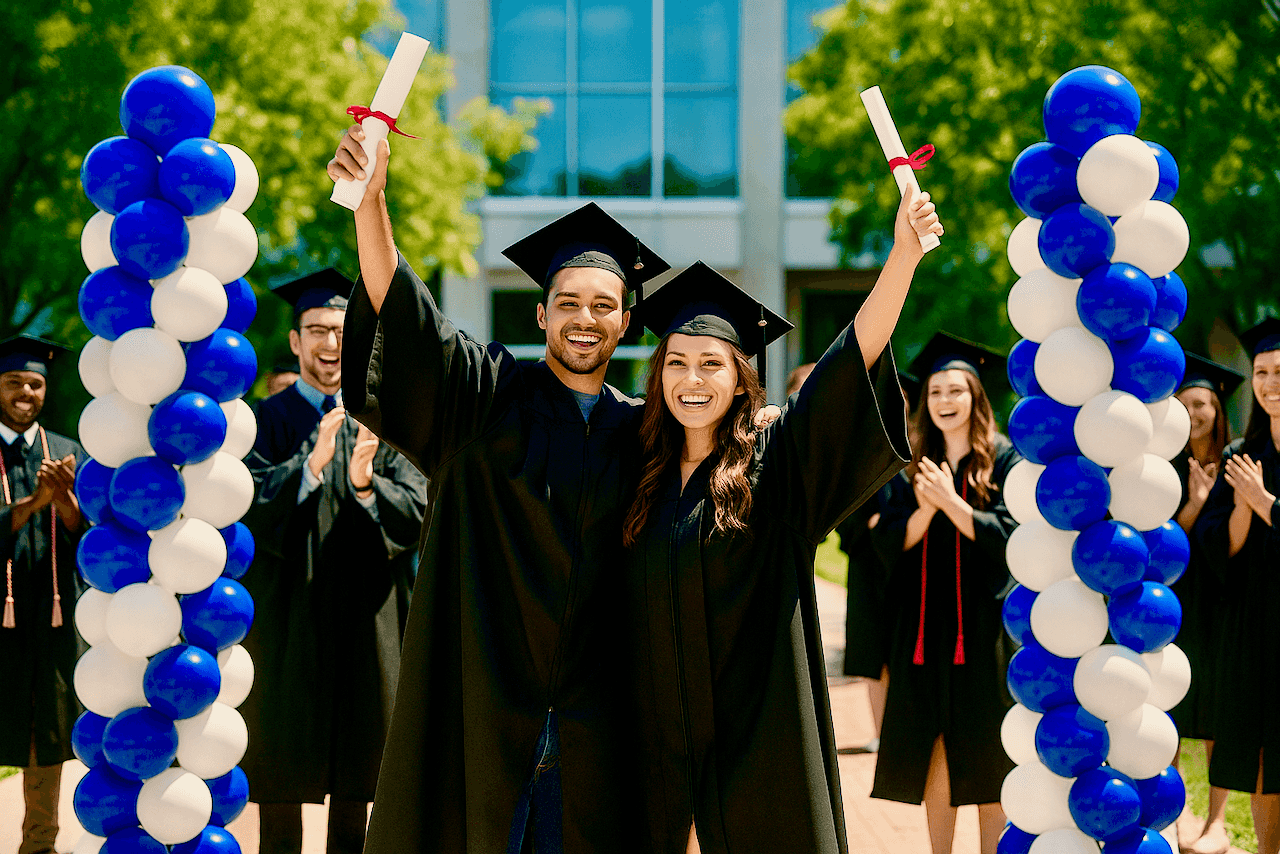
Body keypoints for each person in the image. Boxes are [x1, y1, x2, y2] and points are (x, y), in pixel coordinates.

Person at [330, 119, 678, 853]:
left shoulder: (647, 434)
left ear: (626, 322)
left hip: (599, 726)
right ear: (541, 312)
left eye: (604, 306)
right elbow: (406, 314)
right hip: (482, 710)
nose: (586, 319)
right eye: (571, 303)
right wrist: (371, 203)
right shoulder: (484, 396)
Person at [618, 178, 941, 853]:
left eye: (712, 363)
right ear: (658, 378)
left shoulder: (774, 465)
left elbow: (848, 367)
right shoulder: (635, 474)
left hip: (758, 729)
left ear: (741, 377)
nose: (693, 379)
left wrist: (901, 259)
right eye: (676, 363)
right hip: (651, 732)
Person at [240, 268, 429, 854]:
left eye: (343, 331)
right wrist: (312, 466)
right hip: (284, 624)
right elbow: (242, 508)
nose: (329, 344)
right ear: (295, 341)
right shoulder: (259, 422)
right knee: (279, 779)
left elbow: (420, 510)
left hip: (364, 626)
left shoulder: (389, 421)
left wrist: (366, 484)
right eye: (316, 330)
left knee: (359, 780)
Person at [869, 332, 1020, 854]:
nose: (944, 402)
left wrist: (953, 504)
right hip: (921, 631)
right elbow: (887, 540)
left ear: (976, 397)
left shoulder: (1004, 461)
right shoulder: (910, 462)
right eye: (935, 392)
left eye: (955, 391)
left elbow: (1010, 540)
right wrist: (928, 507)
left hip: (983, 630)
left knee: (986, 749)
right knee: (934, 746)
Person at [1194, 317, 1280, 854]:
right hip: (1255, 624)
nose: (1271, 383)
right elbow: (1219, 547)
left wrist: (1266, 503)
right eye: (1264, 373)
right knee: (1266, 758)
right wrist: (1245, 506)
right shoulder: (1240, 459)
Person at [0, 336, 84, 854]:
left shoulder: (67, 449)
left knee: (45, 736)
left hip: (50, 618)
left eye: (35, 383)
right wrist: (36, 500)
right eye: (14, 383)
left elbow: (87, 536)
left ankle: (40, 845)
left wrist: (67, 501)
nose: (25, 392)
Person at [1170, 354, 1243, 854]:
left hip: (1222, 599)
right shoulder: (1162, 465)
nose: (1193, 412)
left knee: (1218, 709)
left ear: (1218, 409)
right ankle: (1172, 816)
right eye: (1184, 403)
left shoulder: (1238, 461)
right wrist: (1195, 504)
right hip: (1171, 599)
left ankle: (1214, 822)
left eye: (1202, 403)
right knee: (1169, 710)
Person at [836, 369, 920, 756]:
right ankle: (881, 732)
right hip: (872, 567)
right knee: (875, 654)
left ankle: (905, 729)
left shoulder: (922, 448)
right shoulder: (859, 450)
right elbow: (851, 517)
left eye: (901, 399)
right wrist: (880, 526)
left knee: (908, 650)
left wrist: (883, 523)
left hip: (915, 568)